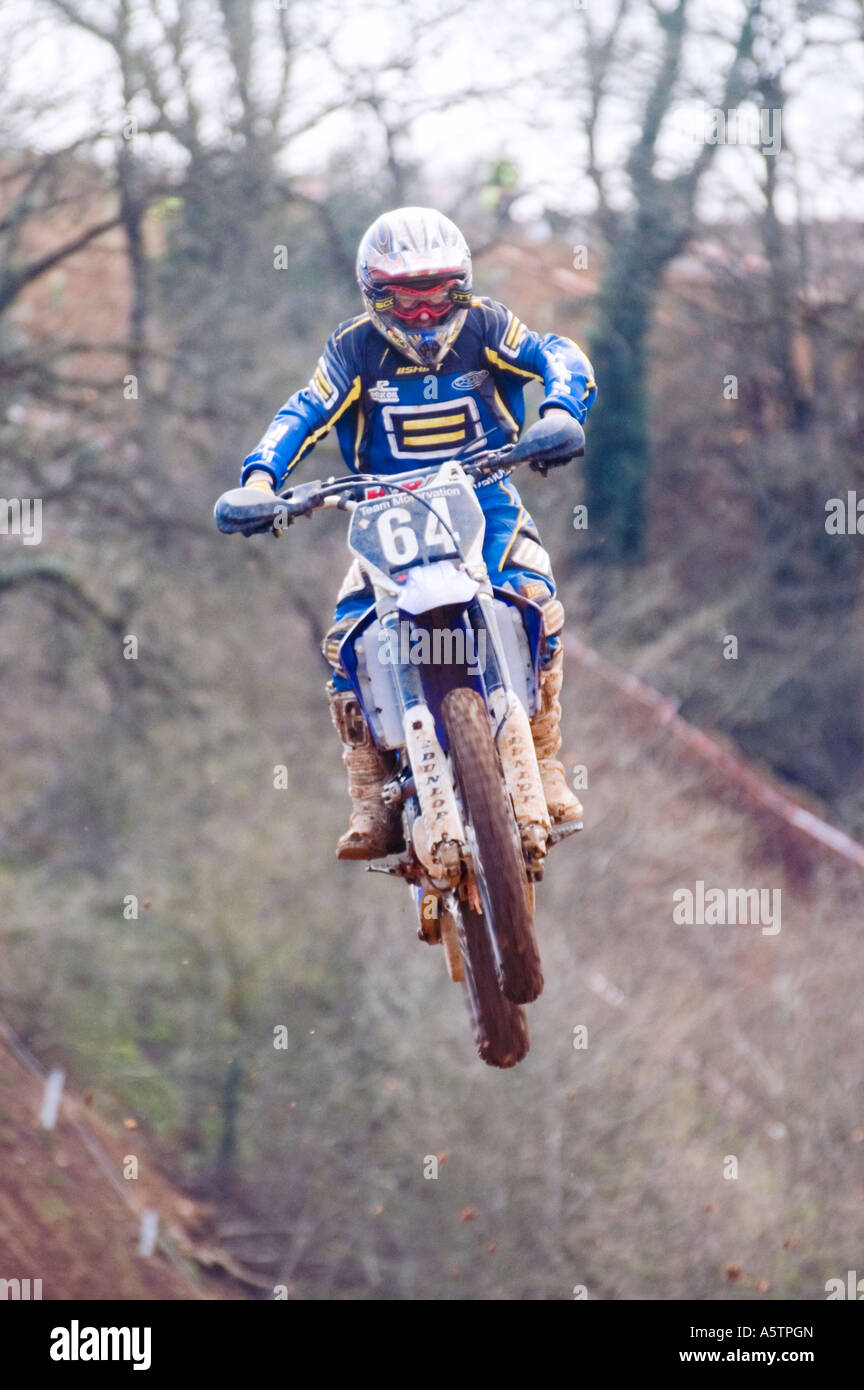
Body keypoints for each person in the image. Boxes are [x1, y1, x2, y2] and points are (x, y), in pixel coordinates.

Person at [240, 206, 597, 859]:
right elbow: (305, 408)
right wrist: (261, 479)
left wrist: (560, 411)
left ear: (461, 285)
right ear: (376, 296)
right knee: (343, 641)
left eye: (439, 293)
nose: (426, 311)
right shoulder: (353, 348)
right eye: (406, 297)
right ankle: (372, 797)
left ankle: (544, 763)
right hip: (384, 508)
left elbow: (555, 353)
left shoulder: (488, 323)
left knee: (538, 603)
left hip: (485, 496)